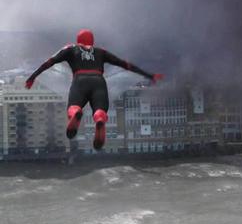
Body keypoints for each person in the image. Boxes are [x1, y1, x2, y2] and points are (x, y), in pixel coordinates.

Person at [25, 29, 163, 150]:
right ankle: (99, 120)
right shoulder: (100, 52)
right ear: (92, 40)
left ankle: (76, 113)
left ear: (78, 40)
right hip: (98, 81)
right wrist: (150, 76)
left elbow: (49, 62)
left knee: (73, 107)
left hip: (80, 80)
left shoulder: (70, 48)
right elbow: (125, 65)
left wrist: (32, 77)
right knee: (100, 110)